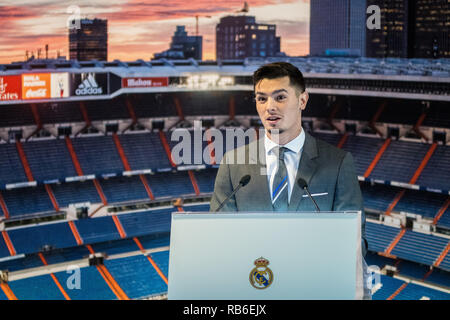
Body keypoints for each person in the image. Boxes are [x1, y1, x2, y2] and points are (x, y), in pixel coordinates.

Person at [210, 62, 368, 257]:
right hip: (253, 280)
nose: (270, 107)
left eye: (280, 97)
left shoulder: (338, 163)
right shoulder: (233, 163)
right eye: (261, 99)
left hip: (310, 282)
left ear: (302, 100)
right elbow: (218, 235)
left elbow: (355, 240)